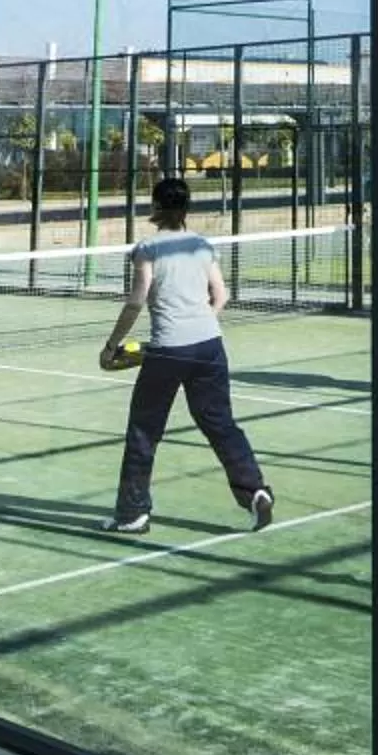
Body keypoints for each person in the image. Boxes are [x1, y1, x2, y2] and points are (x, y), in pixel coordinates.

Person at [96, 176, 273, 537]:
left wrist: (111, 345)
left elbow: (136, 301)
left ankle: (132, 514)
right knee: (221, 423)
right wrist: (199, 322)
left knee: (144, 431)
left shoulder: (148, 248)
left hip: (167, 350)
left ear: (156, 207)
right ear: (186, 208)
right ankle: (254, 490)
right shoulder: (202, 246)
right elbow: (220, 296)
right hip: (210, 346)